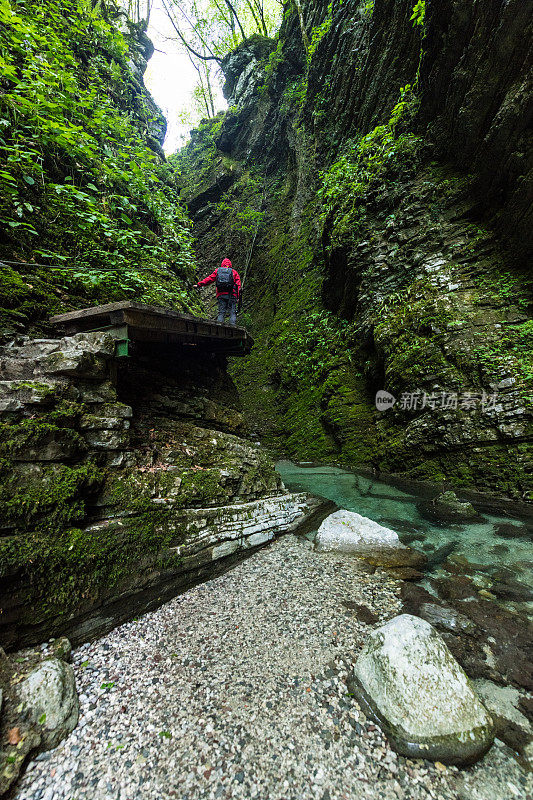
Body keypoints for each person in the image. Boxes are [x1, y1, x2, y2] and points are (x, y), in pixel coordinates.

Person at [196, 258, 241, 326]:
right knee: (232, 312)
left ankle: (219, 327)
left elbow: (209, 279)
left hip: (221, 295)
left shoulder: (218, 271)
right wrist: (238, 297)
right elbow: (238, 285)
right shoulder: (234, 272)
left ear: (222, 264)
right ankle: (233, 327)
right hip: (232, 295)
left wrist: (199, 284)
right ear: (230, 264)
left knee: (221, 313)